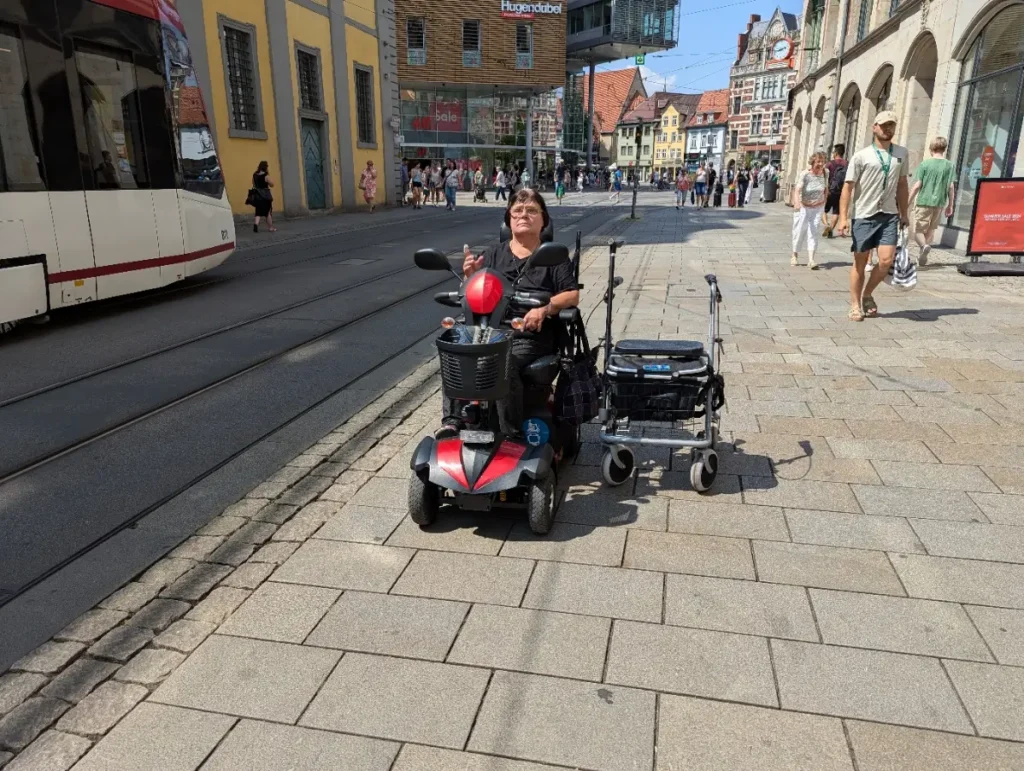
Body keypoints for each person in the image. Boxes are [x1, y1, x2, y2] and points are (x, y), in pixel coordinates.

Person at [438, 188, 580, 441]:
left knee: (500, 360)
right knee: (457, 352)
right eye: (518, 210)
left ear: (543, 220)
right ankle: (453, 422)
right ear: (509, 219)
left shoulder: (554, 256)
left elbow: (571, 295)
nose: (524, 215)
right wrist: (470, 277)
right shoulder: (494, 254)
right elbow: (475, 293)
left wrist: (545, 308)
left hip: (531, 334)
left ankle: (510, 434)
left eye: (532, 210)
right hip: (492, 328)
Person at [836, 110, 910, 322]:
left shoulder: (901, 153)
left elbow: (902, 184)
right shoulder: (861, 156)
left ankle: (867, 294)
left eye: (891, 125)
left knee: (886, 261)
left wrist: (904, 213)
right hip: (864, 215)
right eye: (884, 125)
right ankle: (855, 305)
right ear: (874, 127)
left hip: (889, 214)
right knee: (860, 262)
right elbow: (848, 188)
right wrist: (843, 217)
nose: (888, 129)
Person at [908, 136, 956, 265]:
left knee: (918, 230)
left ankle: (924, 246)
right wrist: (950, 205)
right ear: (944, 149)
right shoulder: (950, 166)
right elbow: (951, 187)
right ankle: (922, 256)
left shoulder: (925, 164)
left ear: (931, 148)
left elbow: (917, 185)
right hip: (939, 202)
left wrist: (908, 201)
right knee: (931, 229)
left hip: (924, 201)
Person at [791, 151, 828, 269]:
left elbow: (826, 189)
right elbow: (797, 189)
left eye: (823, 162)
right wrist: (797, 202)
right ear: (812, 162)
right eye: (818, 161)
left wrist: (824, 203)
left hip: (817, 207)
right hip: (804, 207)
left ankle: (811, 260)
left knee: (813, 231)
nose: (821, 164)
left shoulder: (826, 173)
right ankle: (794, 255)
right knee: (799, 231)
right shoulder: (805, 174)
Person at [822, 144, 847, 237]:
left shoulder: (830, 164)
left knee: (823, 210)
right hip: (841, 191)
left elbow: (823, 176)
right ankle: (831, 229)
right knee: (836, 211)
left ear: (836, 153)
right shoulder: (847, 164)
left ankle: (826, 225)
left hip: (829, 190)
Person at [251, 160, 276, 232]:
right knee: (267, 212)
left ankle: (256, 225)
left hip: (257, 195)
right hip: (265, 196)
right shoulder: (266, 176)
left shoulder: (254, 175)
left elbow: (253, 184)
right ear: (265, 167)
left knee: (258, 212)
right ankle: (271, 227)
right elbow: (272, 184)